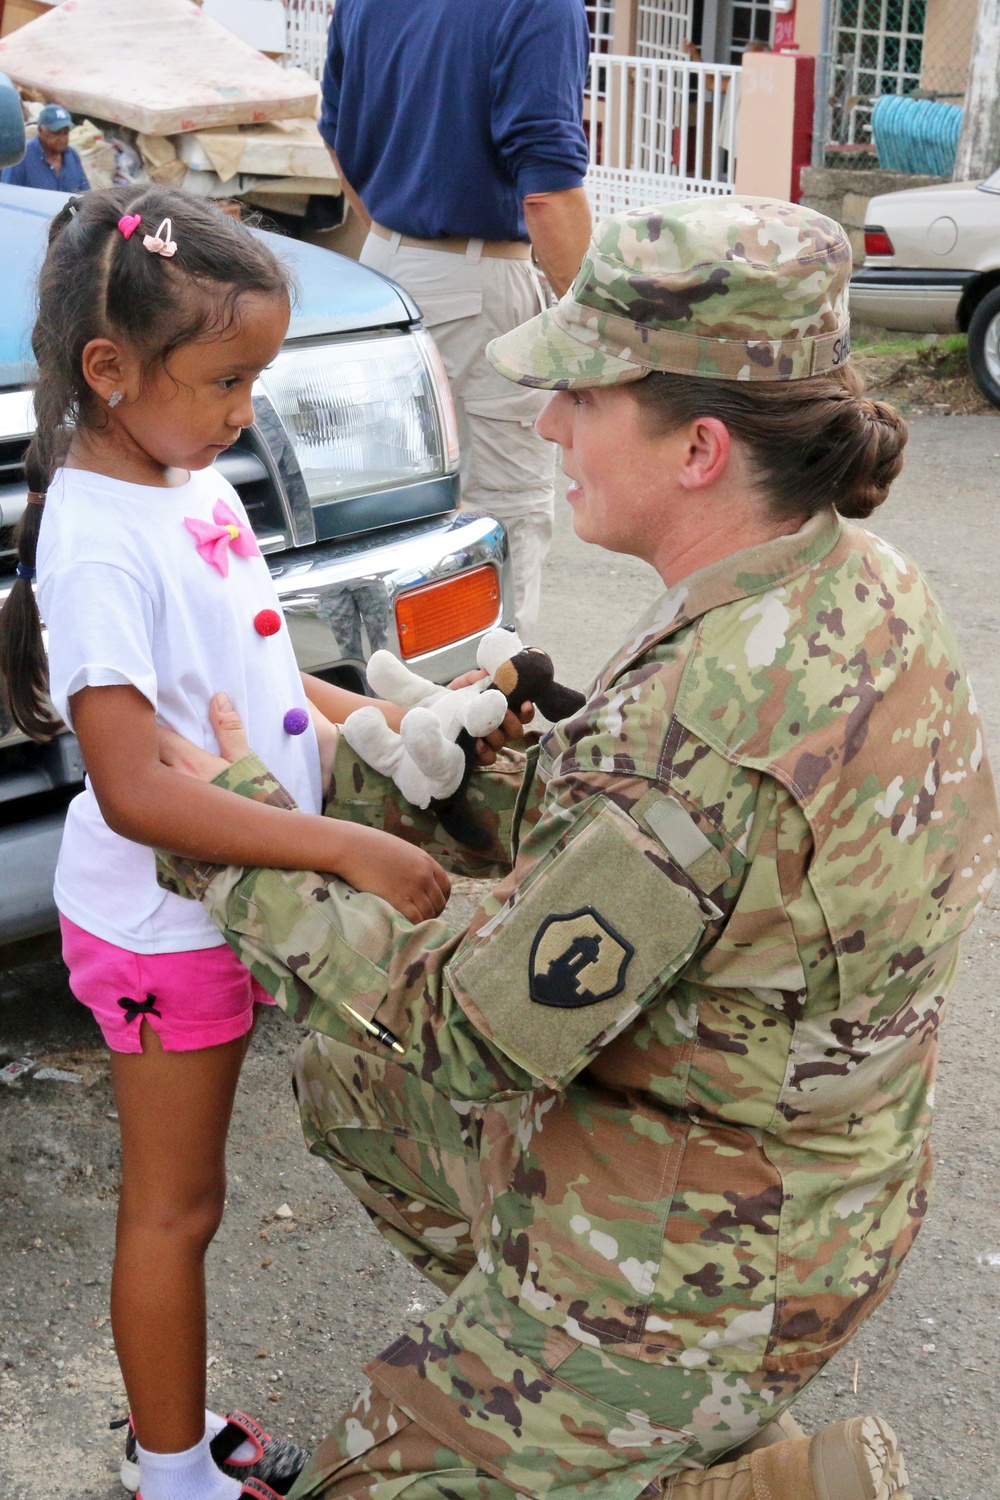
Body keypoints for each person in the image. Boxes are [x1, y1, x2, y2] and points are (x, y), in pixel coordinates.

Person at [155, 196, 999, 1500]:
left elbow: (463, 1029)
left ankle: (670, 1434)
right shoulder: (854, 585)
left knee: (365, 1474)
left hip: (726, 1255)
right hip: (827, 1184)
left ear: (702, 449)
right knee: (348, 1089)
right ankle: (596, 1409)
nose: (548, 426)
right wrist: (444, 769)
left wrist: (237, 834)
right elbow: (678, 858)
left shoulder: (703, 729)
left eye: (585, 400)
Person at [0, 184, 453, 1500]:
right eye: (225, 378)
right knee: (174, 1208)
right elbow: (135, 786)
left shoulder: (181, 472)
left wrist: (367, 719)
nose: (244, 409)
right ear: (110, 369)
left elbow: (247, 669)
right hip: (163, 925)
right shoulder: (95, 543)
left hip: (228, 902)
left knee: (189, 1201)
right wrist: (343, 854)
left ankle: (177, 1439)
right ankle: (173, 1472)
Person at [318, 0, 593, 642]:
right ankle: (492, 720)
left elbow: (335, 129)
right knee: (503, 518)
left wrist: (397, 226)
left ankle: (406, 713)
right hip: (478, 279)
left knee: (389, 519)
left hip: (382, 264)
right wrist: (595, 325)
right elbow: (546, 190)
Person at [1, 101, 90, 192]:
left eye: (65, 133)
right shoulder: (20, 157)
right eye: (56, 133)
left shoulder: (72, 155)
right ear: (40, 130)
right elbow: (7, 195)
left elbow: (85, 193)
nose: (62, 139)